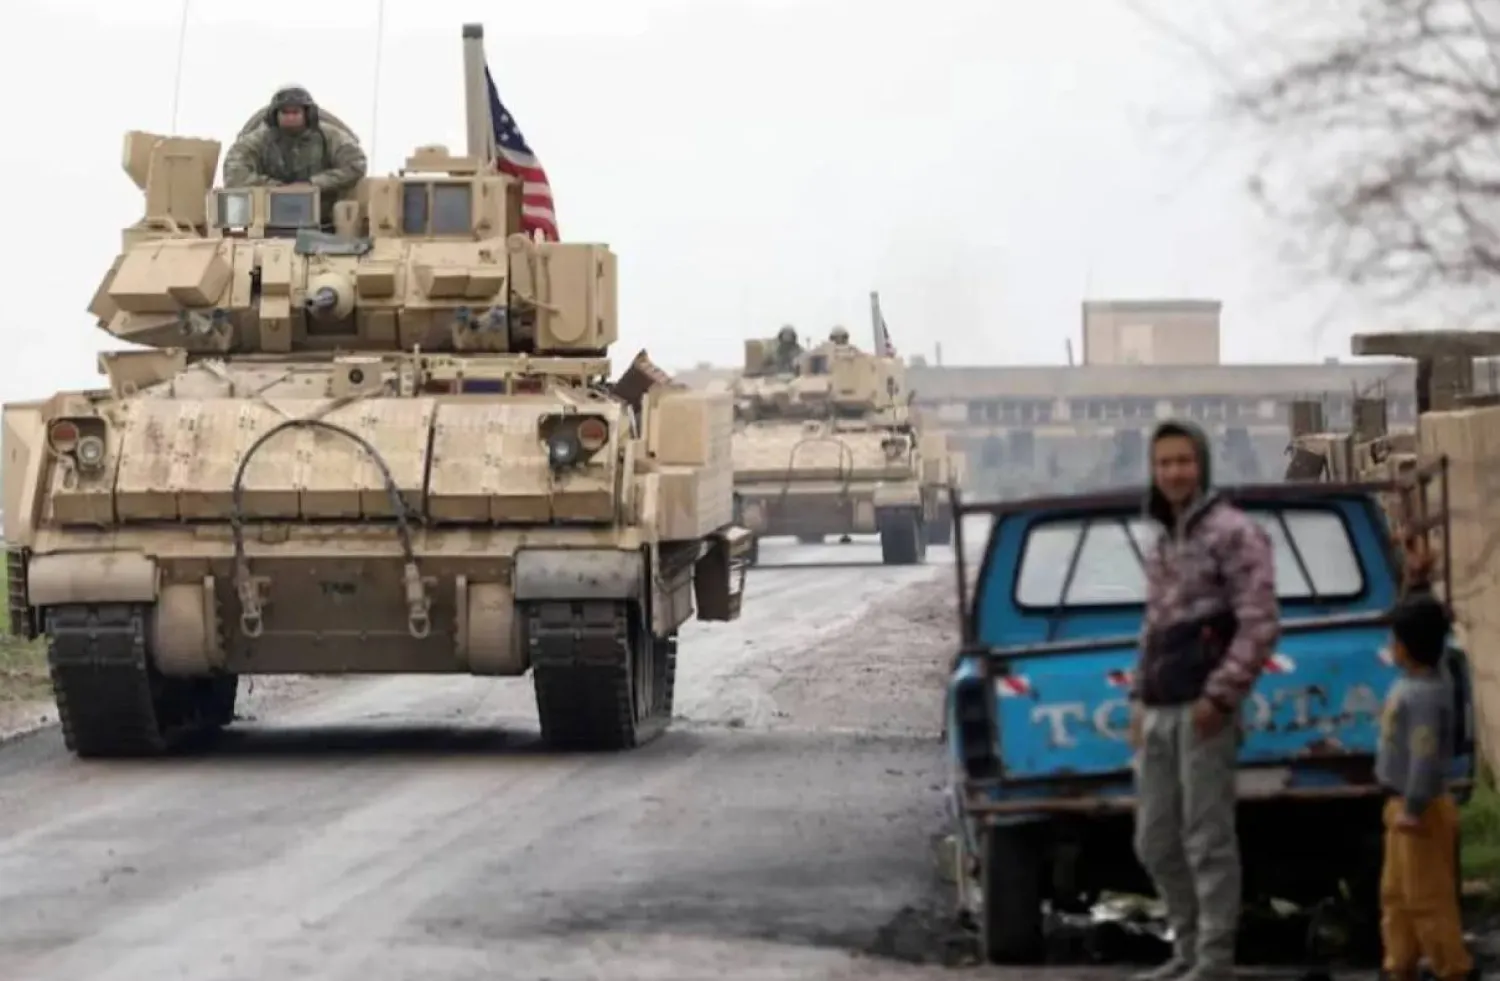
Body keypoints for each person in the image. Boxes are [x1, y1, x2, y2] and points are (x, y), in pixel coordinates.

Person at [1127, 419, 1281, 981]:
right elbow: (1154, 628)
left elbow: (1260, 623)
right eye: (1164, 462)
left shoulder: (1233, 533)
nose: (1173, 473)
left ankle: (1213, 963)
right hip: (1161, 710)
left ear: (1202, 465)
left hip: (1204, 712)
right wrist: (1138, 700)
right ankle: (1187, 949)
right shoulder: (1166, 541)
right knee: (1155, 840)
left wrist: (1220, 696)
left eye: (1183, 461)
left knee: (1207, 842)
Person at [1375, 589, 1474, 981]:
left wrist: (1414, 808)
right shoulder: (1422, 683)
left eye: (1395, 640)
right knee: (1396, 895)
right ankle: (1398, 964)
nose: (1391, 646)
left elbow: (1425, 757)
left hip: (1420, 810)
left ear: (1407, 648)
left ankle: (1454, 969)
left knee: (1428, 899)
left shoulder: (1426, 696)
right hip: (1399, 807)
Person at [222, 85, 368, 216]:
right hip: (266, 216)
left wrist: (313, 184)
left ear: (307, 114)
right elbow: (234, 172)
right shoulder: (258, 140)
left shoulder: (330, 137)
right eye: (285, 113)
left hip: (326, 217)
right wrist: (278, 188)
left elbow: (355, 163)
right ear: (274, 116)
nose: (290, 117)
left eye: (295, 112)